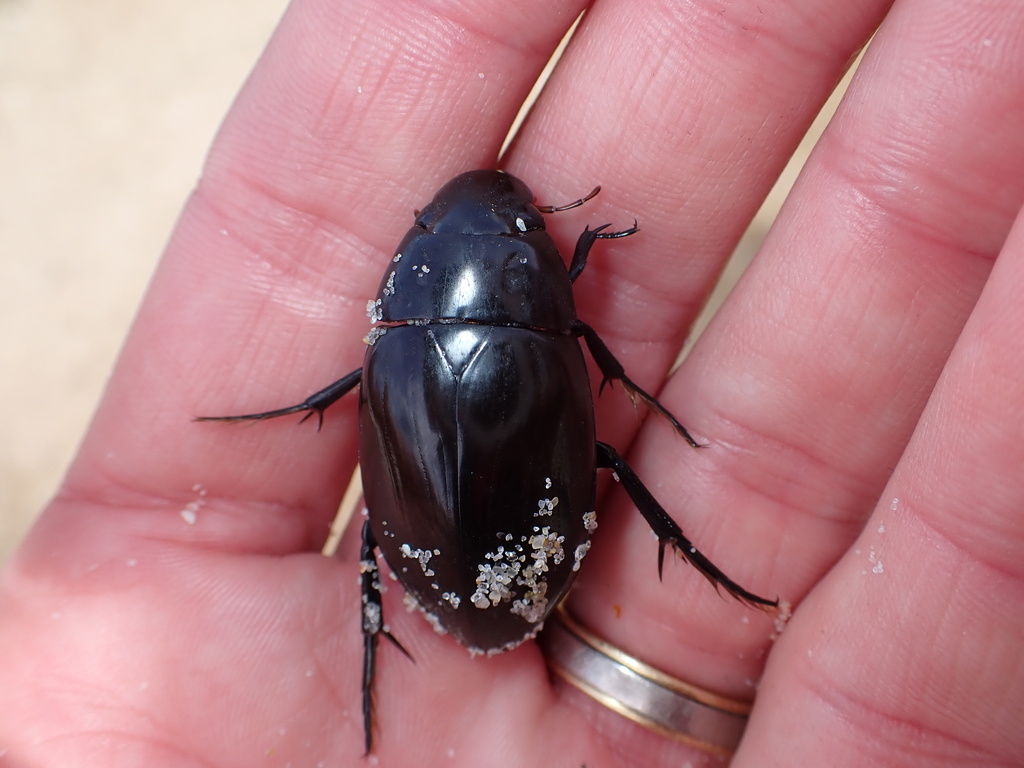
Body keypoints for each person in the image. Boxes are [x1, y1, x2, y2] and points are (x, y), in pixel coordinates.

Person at [2, 0, 1023, 765]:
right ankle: (678, 583)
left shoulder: (395, 342)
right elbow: (586, 359)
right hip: (499, 552)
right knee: (608, 454)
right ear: (541, 272)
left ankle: (376, 686)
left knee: (396, 522)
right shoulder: (543, 327)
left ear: (409, 275)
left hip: (444, 568)